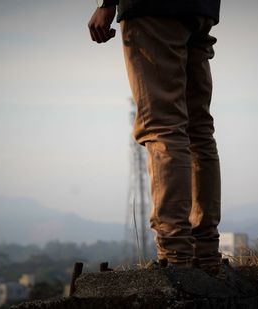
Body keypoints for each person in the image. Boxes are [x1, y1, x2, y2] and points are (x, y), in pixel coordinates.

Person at [88, 0, 222, 269]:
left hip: (150, 9)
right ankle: (205, 253)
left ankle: (176, 256)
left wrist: (106, 3)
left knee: (164, 128)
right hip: (201, 9)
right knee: (199, 131)